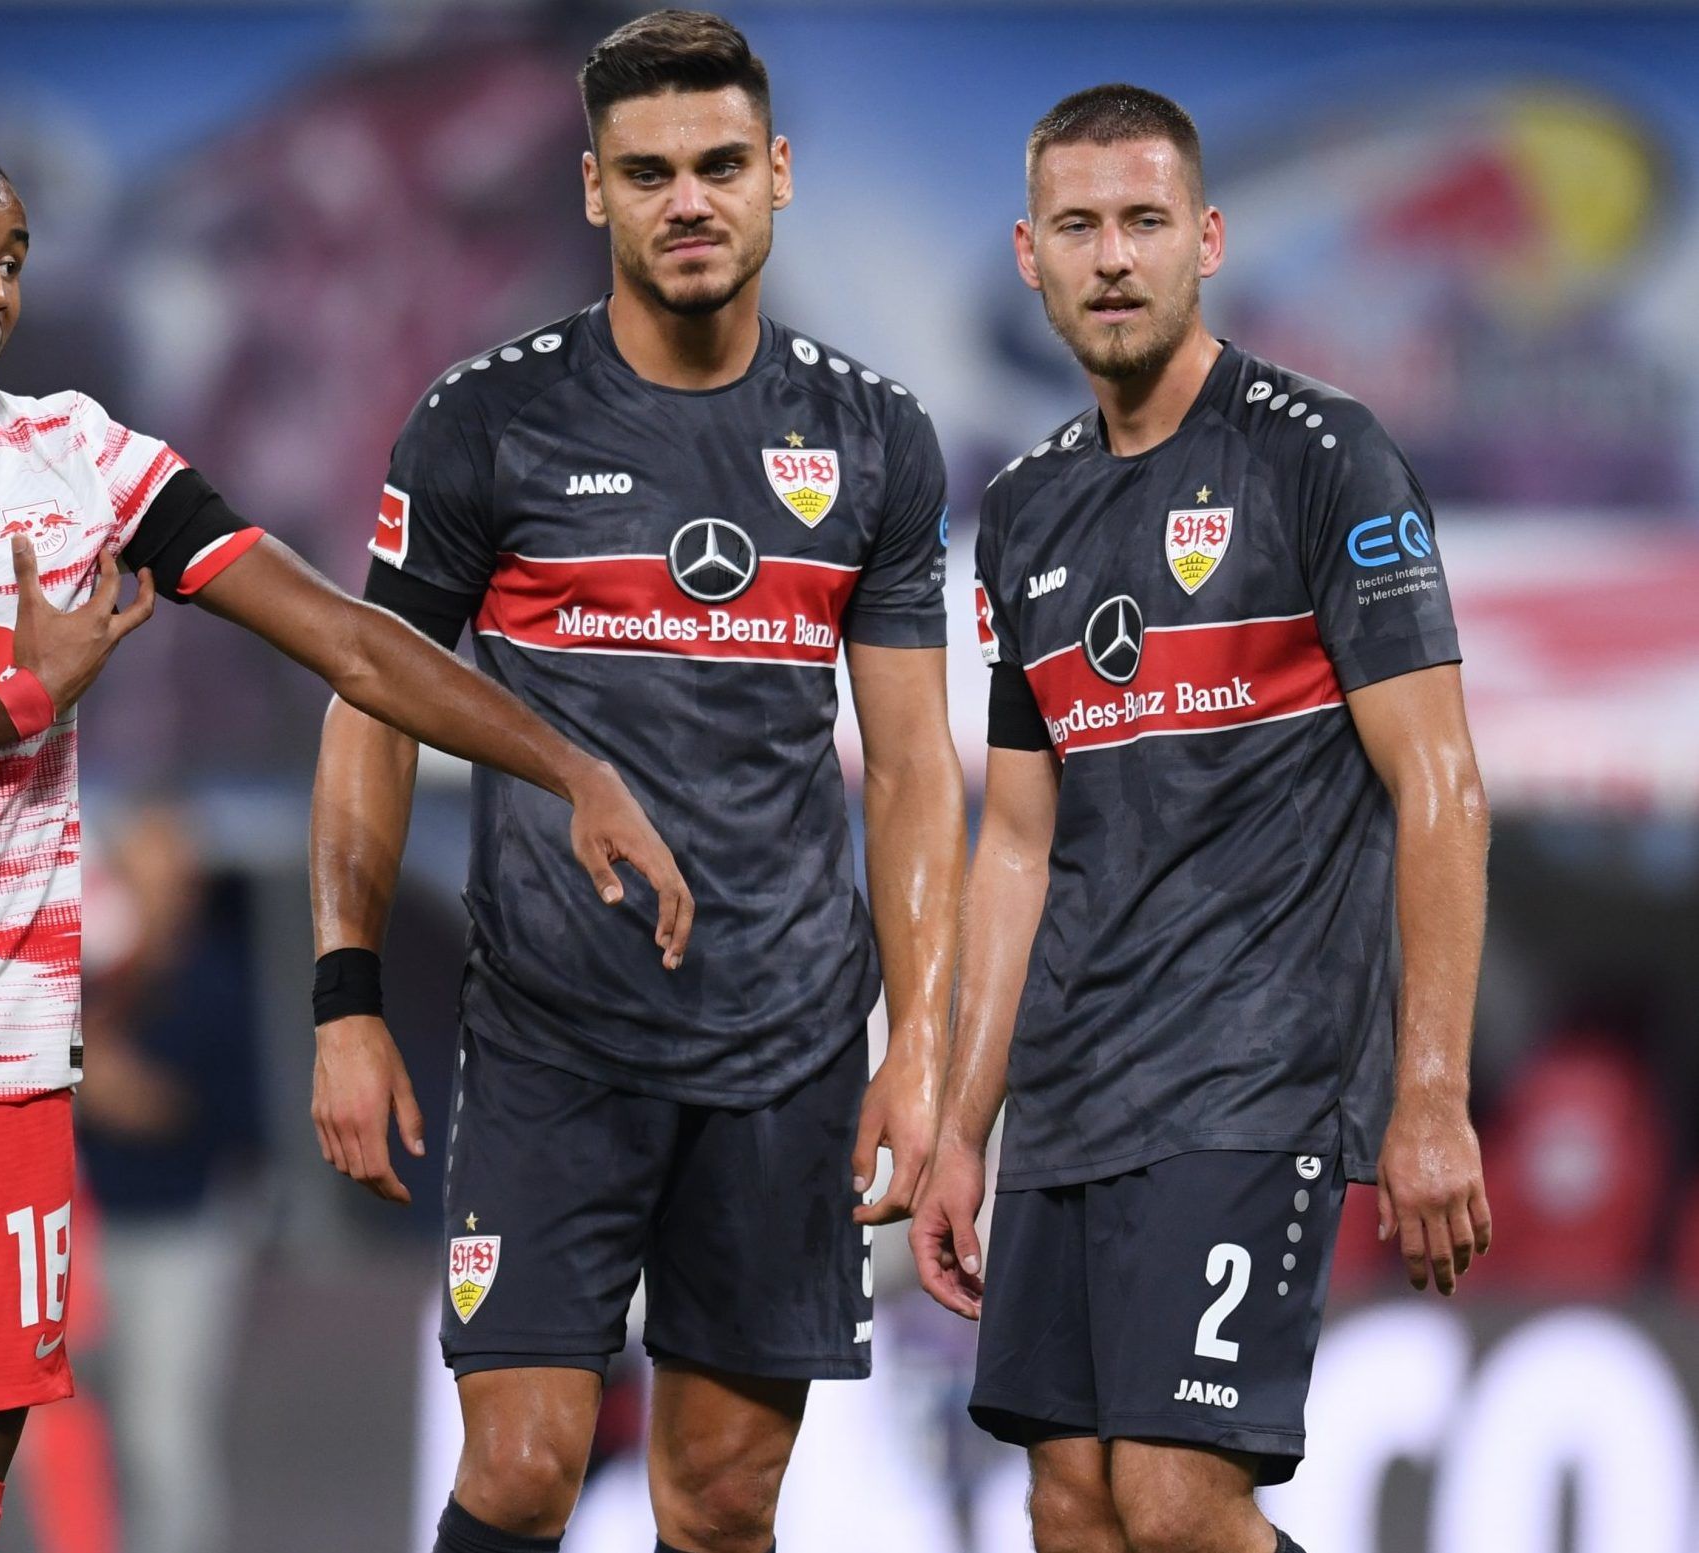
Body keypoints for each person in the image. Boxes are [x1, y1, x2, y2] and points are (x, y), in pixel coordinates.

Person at [0, 126, 691, 1553]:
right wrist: (20, 699)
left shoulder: (81, 457)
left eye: (12, 257)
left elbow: (348, 640)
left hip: (2, 1086)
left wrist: (570, 765)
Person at [306, 14, 964, 1553]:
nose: (688, 200)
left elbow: (911, 768)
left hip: (785, 1048)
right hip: (552, 1041)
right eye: (649, 171)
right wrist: (346, 999)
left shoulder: (872, 437)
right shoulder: (484, 421)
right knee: (522, 1468)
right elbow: (371, 699)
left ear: (776, 172)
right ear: (594, 187)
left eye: (719, 164)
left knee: (721, 1498)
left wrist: (919, 1043)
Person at [908, 85, 1493, 1553]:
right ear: (1029, 255)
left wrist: (1428, 1093)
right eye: (1077, 226)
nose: (1112, 257)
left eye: (1144, 221)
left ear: (1209, 239)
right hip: (1068, 1093)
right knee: (1070, 1506)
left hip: (1251, 1076)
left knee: (1174, 1499)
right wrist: (965, 1129)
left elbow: (1440, 784)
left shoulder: (1325, 457)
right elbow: (1018, 839)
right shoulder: (1024, 508)